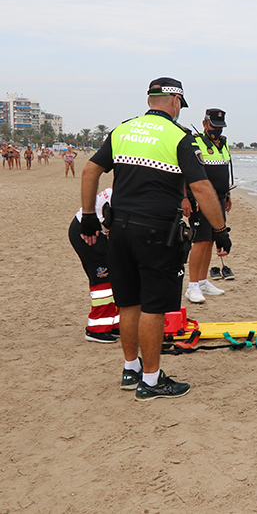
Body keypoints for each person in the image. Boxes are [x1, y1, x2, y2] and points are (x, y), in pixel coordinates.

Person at [80, 77, 232, 401]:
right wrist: (220, 231)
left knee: (129, 301)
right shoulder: (179, 137)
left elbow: (90, 171)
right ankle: (150, 382)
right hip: (156, 233)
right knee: (154, 305)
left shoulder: (122, 130)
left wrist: (89, 217)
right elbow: (202, 188)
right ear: (175, 102)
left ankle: (130, 369)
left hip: (117, 229)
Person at [183, 108, 233, 303]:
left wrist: (227, 194)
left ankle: (203, 281)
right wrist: (184, 198)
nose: (217, 130)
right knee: (200, 241)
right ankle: (192, 285)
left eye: (220, 127)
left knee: (212, 240)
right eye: (214, 126)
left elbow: (224, 169)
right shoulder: (195, 142)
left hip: (219, 198)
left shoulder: (224, 143)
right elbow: (184, 173)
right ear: (204, 124)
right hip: (200, 199)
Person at [69, 188, 120, 342]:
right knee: (102, 280)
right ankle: (96, 329)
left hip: (97, 231)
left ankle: (113, 324)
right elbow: (112, 228)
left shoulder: (126, 188)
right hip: (86, 233)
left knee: (113, 276)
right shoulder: (126, 196)